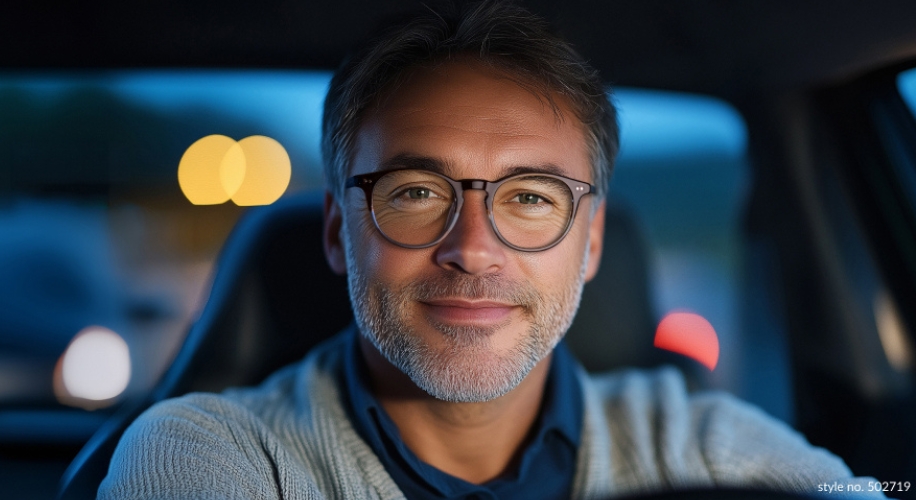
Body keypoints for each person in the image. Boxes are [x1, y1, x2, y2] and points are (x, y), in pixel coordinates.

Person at [99, 2, 883, 498]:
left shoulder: (716, 451)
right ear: (340, 234)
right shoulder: (207, 458)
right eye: (416, 193)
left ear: (592, 243)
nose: (473, 250)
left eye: (531, 199)